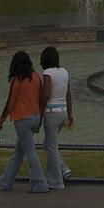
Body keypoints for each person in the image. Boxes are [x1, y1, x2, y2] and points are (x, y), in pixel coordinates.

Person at [0, 51, 49, 194]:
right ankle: (6, 180)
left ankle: (40, 184)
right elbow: (41, 98)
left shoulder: (17, 80)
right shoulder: (36, 76)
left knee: (30, 153)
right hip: (35, 117)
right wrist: (40, 119)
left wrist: (1, 121)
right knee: (19, 151)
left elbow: (10, 102)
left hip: (22, 119)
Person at [39, 46, 73, 185]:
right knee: (49, 144)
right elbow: (68, 94)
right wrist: (70, 114)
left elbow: (46, 95)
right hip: (63, 112)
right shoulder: (64, 72)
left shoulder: (47, 73)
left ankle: (56, 180)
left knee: (51, 147)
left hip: (51, 113)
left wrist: (40, 112)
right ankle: (64, 169)